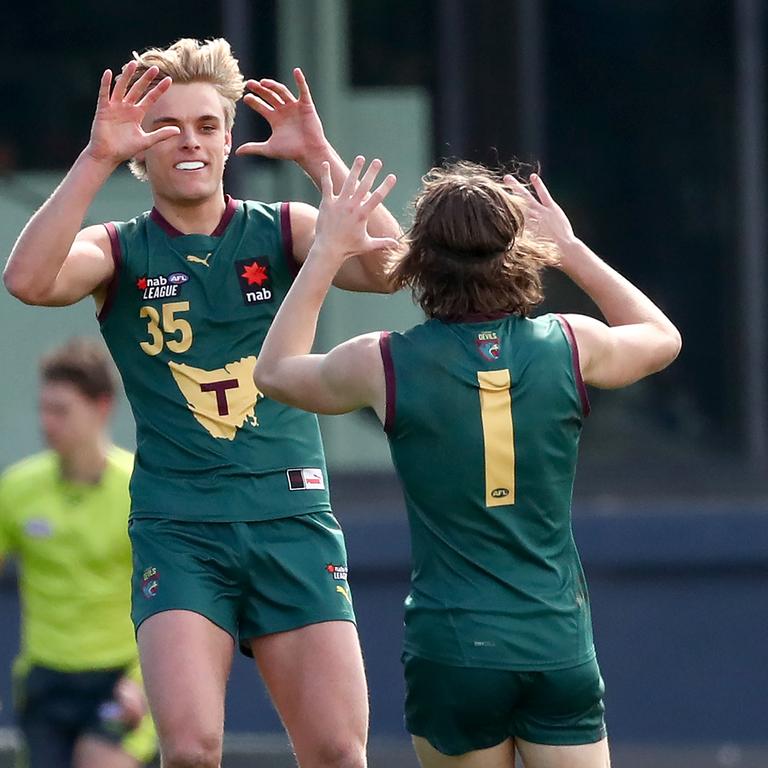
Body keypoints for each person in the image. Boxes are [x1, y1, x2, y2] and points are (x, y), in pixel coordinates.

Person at [3, 39, 402, 768]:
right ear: (140, 149)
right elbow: (27, 280)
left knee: (339, 751)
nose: (189, 140)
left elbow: (393, 269)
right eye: (167, 127)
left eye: (208, 125)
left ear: (228, 142)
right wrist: (93, 158)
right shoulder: (118, 250)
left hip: (290, 516)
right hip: (181, 525)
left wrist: (319, 157)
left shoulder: (282, 229)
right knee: (190, 749)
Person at [252, 158, 682, 768]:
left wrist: (325, 252)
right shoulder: (570, 343)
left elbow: (273, 373)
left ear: (418, 259)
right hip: (554, 641)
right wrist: (569, 248)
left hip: (453, 645)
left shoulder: (384, 362)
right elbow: (662, 336)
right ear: (519, 251)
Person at [0, 338, 157, 768]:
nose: (47, 423)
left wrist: (144, 681)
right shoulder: (16, 488)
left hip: (119, 680)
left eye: (61, 411)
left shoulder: (139, 489)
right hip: (45, 681)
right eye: (43, 409)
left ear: (101, 407)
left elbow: (174, 591)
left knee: (100, 761)